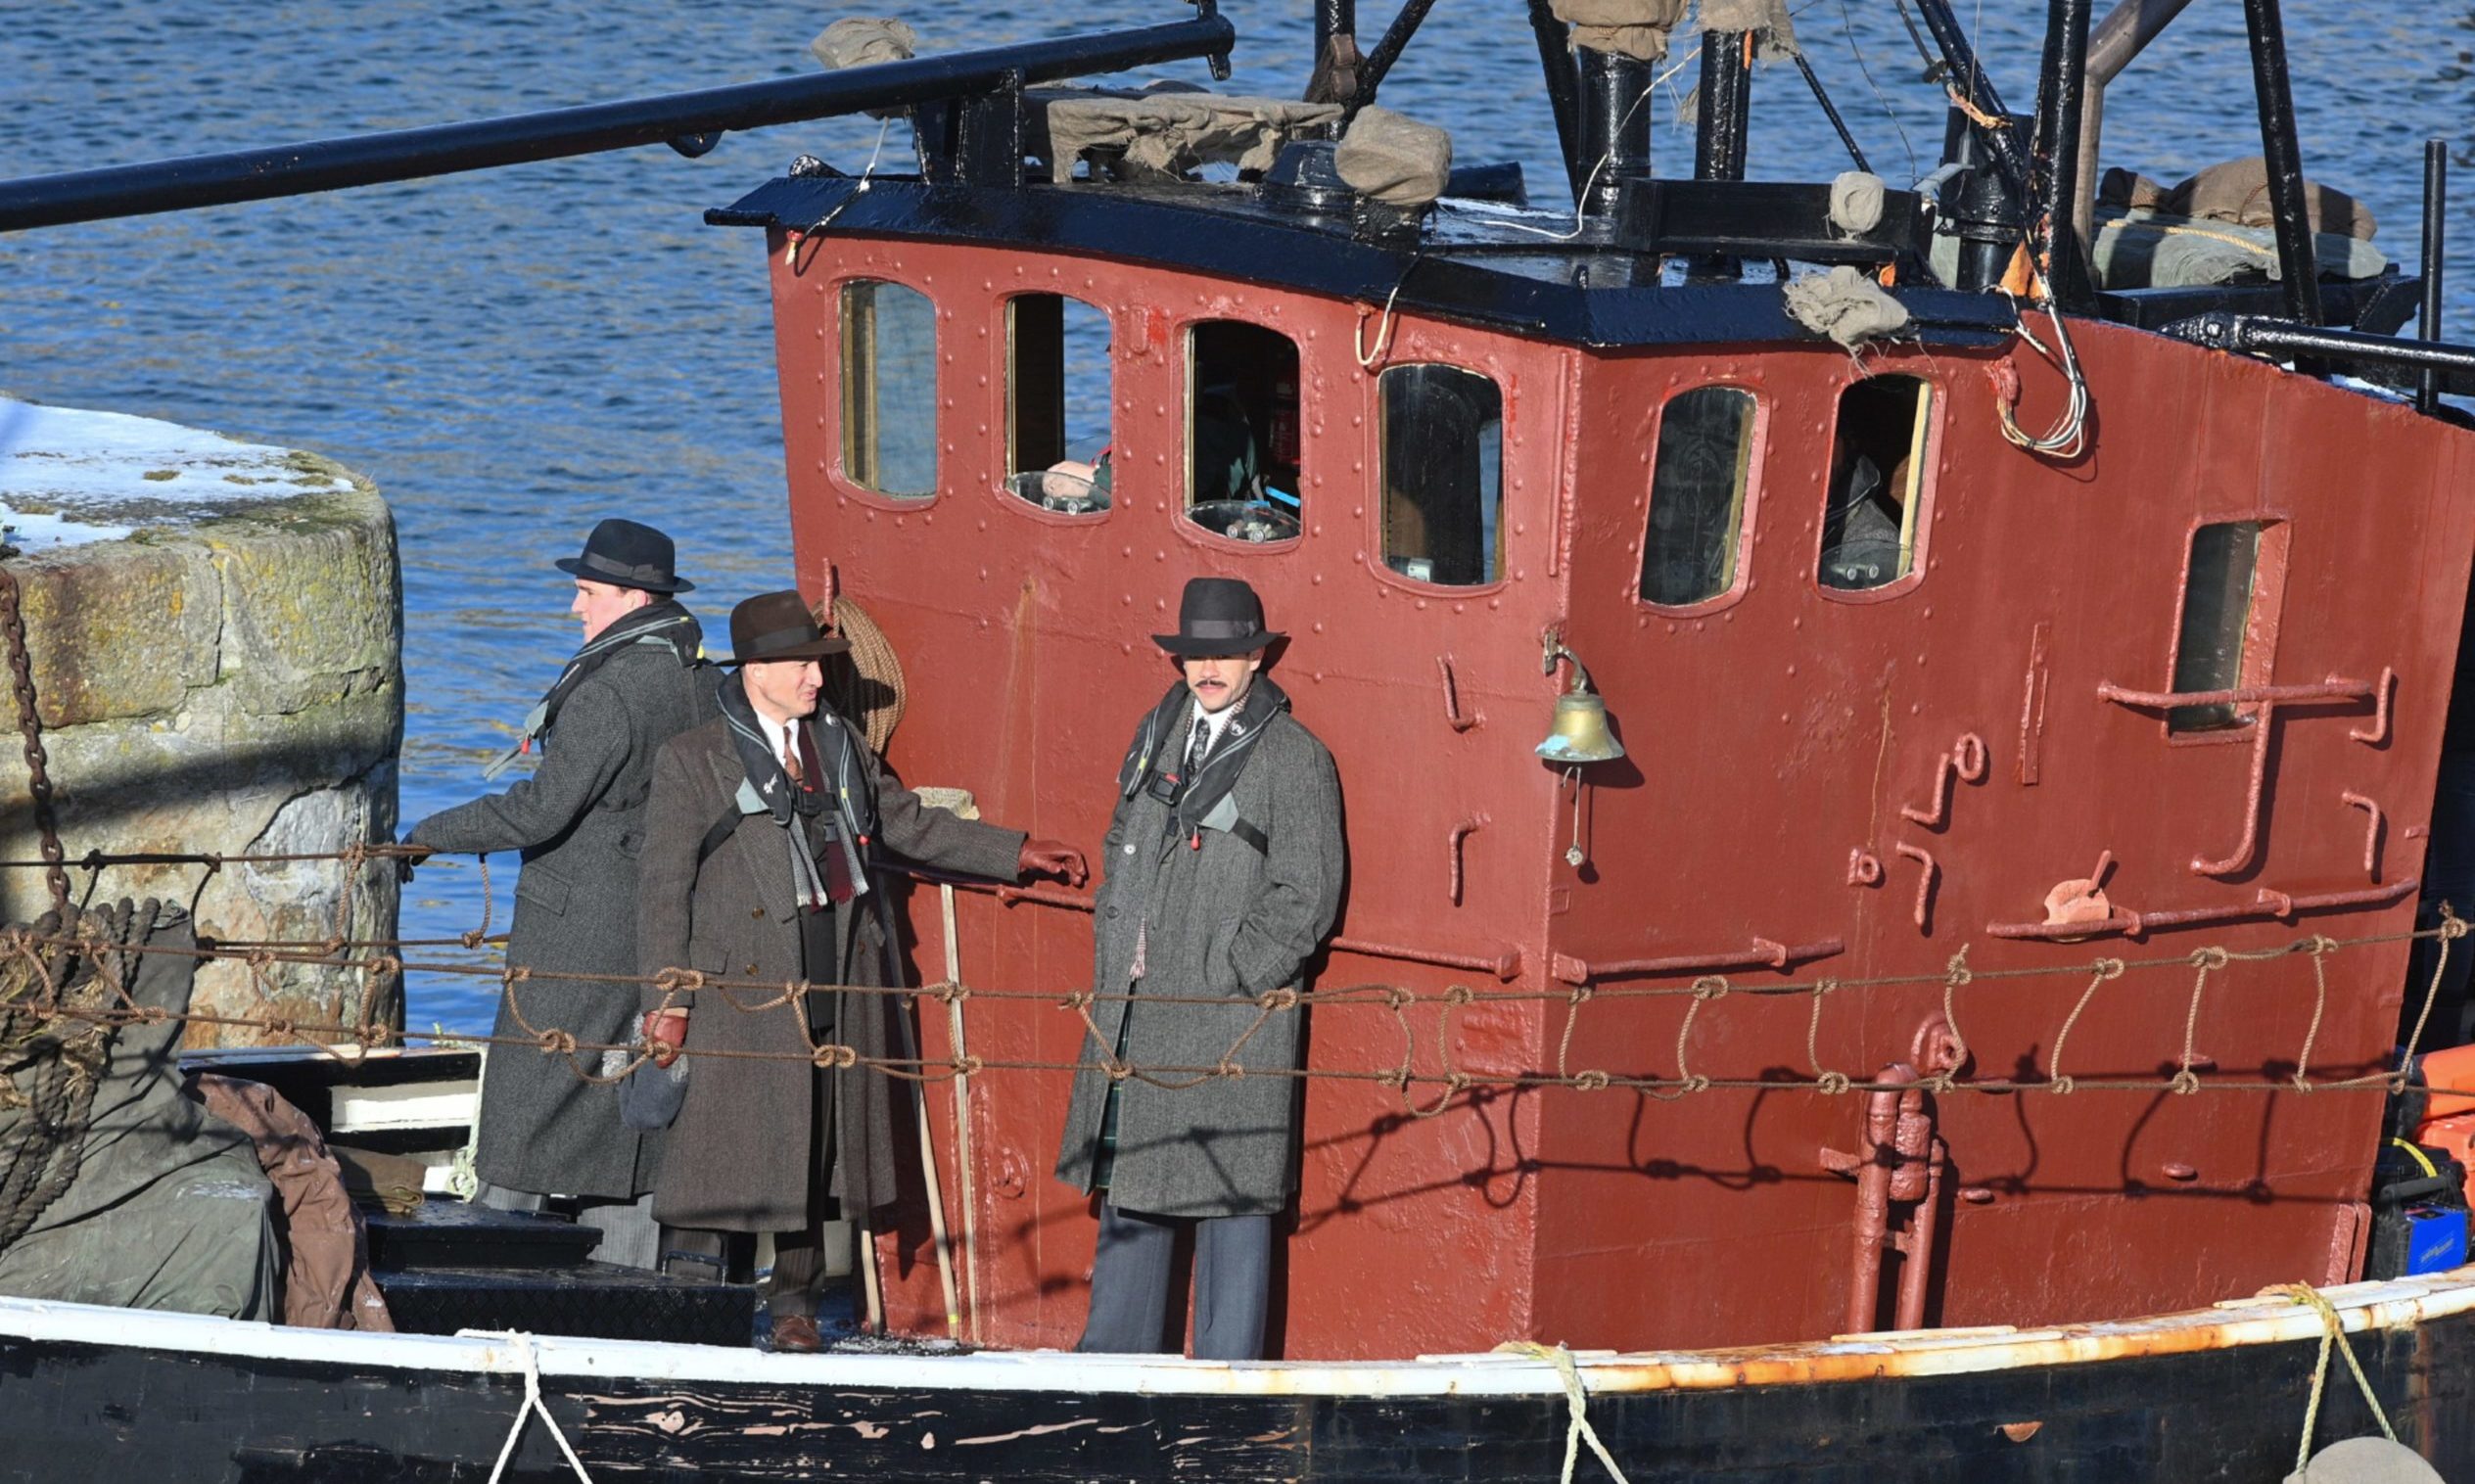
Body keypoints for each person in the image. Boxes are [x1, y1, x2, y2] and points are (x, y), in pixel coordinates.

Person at [634, 589, 1087, 1353]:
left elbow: (903, 822)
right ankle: (694, 1300)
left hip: (836, 974)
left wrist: (1016, 853)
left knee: (813, 1143)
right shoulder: (691, 760)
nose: (816, 677)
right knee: (722, 1151)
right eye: (803, 664)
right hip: (736, 991)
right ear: (757, 670)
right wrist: (667, 1003)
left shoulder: (836, 744)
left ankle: (795, 1308)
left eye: (817, 663)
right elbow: (660, 892)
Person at [403, 518, 715, 1266]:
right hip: (657, 914)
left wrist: (427, 835)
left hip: (578, 919)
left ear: (633, 597)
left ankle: (483, 1259)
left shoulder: (612, 691)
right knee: (624, 1091)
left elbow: (541, 808)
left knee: (531, 1095)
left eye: (587, 593)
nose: (576, 608)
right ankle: (631, 1269)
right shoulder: (697, 671)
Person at [1053, 576, 1343, 1361]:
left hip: (1230, 1016)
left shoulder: (1294, 758)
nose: (1207, 668)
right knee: (1135, 1188)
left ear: (1256, 656)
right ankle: (1113, 1371)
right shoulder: (1158, 731)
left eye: (1223, 654)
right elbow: (1123, 837)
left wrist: (1233, 972)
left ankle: (1229, 1384)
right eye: (1193, 654)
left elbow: (1307, 895)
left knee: (1230, 1203)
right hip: (1137, 1003)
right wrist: (1121, 931)